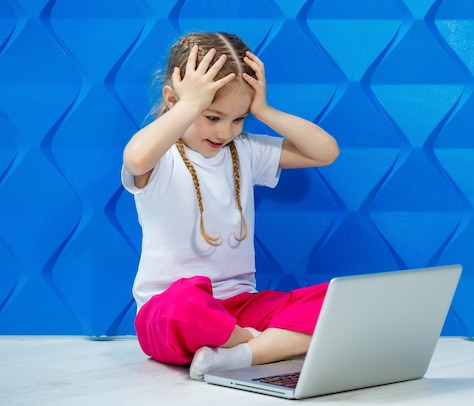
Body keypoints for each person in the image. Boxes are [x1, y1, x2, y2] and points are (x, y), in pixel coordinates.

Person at [121, 32, 339, 380]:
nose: (225, 132)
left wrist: (263, 111)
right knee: (184, 307)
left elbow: (324, 151)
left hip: (241, 305)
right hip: (170, 310)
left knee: (335, 303)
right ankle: (258, 346)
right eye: (212, 117)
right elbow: (135, 157)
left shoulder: (245, 150)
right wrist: (189, 105)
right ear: (173, 100)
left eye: (238, 119)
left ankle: (234, 355)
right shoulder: (160, 157)